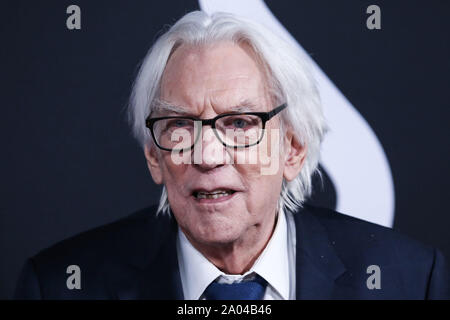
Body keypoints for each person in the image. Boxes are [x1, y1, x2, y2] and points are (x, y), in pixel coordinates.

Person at [14, 11, 449, 300]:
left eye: (240, 124)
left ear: (292, 148)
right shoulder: (60, 286)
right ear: (153, 156)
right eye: (180, 124)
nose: (206, 155)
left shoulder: (408, 280)